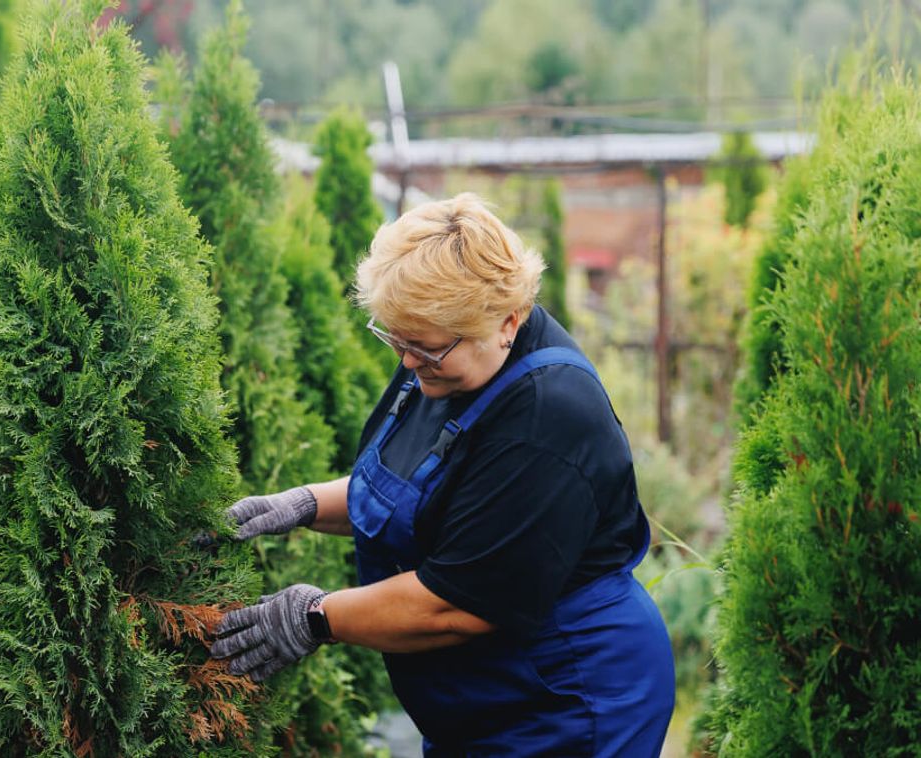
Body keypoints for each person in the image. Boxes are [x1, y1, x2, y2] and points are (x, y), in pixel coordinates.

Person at [211, 193, 675, 756]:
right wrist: (304, 504)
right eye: (397, 340)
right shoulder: (445, 361)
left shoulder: (547, 414)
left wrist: (314, 617)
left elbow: (456, 604)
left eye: (425, 348)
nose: (407, 362)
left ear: (508, 320)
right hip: (479, 699)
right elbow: (421, 496)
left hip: (566, 696)